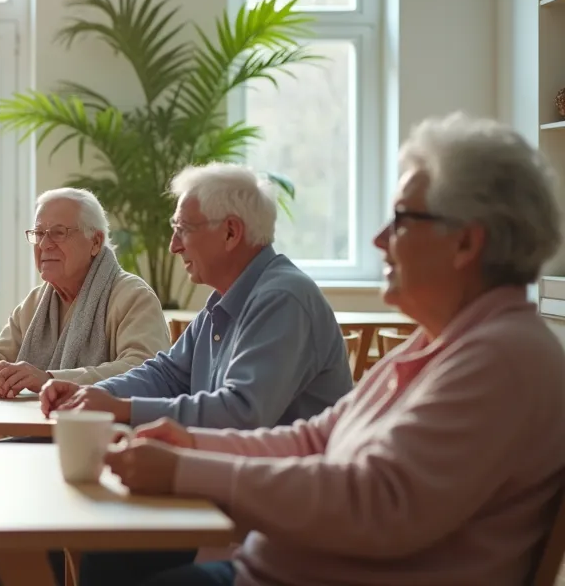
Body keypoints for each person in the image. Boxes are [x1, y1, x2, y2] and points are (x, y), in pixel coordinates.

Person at [83, 113, 565, 585]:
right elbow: (315, 439)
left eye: (400, 221)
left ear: (465, 243)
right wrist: (190, 443)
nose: (379, 240)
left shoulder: (502, 359)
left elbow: (373, 500)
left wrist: (188, 469)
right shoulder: (442, 342)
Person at [40, 164, 352, 430]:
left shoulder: (283, 299)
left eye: (183, 228)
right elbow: (167, 374)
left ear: (231, 232)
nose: (174, 245)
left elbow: (241, 413)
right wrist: (91, 392)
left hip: (280, 493)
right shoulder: (225, 300)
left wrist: (122, 408)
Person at [0, 188, 170, 398]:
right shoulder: (35, 302)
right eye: (39, 233)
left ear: (95, 242)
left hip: (104, 429)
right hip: (36, 424)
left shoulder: (133, 297)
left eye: (58, 233)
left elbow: (143, 371)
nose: (44, 244)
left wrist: (50, 379)